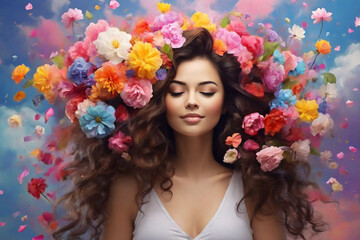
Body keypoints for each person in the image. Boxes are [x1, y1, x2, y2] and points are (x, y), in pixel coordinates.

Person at [51, 27, 328, 240]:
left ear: (225, 103)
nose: (192, 101)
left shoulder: (254, 187)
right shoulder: (130, 187)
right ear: (160, 102)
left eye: (207, 91)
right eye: (178, 91)